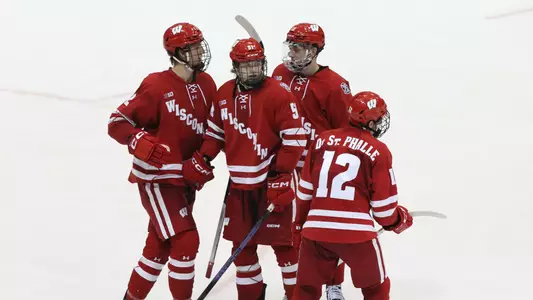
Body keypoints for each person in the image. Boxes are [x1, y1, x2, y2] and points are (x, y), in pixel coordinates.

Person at [182, 38, 306, 300]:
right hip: (239, 188)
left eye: (257, 65)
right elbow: (215, 133)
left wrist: (281, 175)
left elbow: (295, 141)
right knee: (243, 249)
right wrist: (203, 158)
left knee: (285, 248)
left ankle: (299, 296)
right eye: (246, 66)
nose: (253, 71)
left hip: (272, 184)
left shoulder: (279, 94)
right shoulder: (224, 93)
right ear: (235, 67)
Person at [107, 22, 217, 300]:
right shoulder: (156, 85)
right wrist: (137, 140)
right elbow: (117, 122)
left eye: (199, 46)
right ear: (177, 53)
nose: (199, 53)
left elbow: (215, 129)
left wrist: (204, 157)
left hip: (184, 180)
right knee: (186, 241)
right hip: (157, 180)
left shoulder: (206, 84)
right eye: (191, 48)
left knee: (157, 249)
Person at [292, 91, 414, 300]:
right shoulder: (378, 150)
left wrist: (299, 226)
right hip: (357, 235)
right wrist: (398, 220)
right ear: (371, 122)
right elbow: (384, 212)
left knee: (306, 290)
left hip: (315, 232)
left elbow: (304, 192)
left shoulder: (322, 140)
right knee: (376, 289)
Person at [272, 22, 353, 300]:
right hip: (288, 166)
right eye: (290, 46)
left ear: (315, 50)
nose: (292, 52)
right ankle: (300, 287)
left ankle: (334, 284)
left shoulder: (334, 86)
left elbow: (345, 132)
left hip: (320, 169)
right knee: (296, 231)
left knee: (329, 229)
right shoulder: (279, 74)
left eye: (299, 47)